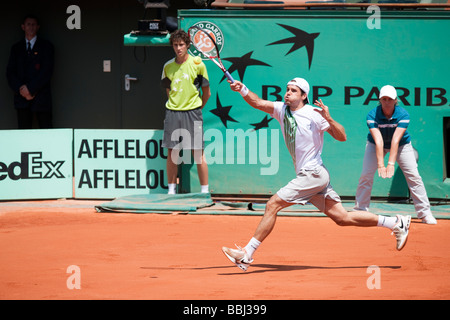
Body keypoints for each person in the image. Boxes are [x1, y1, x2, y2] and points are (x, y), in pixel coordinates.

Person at [222, 78, 411, 272]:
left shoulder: (313, 113)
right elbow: (258, 102)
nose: (287, 93)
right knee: (342, 218)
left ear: (304, 96)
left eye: (293, 91)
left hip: (313, 174)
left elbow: (342, 136)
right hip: (313, 177)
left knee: (273, 204)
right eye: (287, 89)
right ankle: (395, 223)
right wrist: (242, 89)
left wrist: (328, 118)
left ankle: (247, 254)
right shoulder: (281, 109)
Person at [354, 85, 437, 225]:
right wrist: (381, 164)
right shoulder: (372, 115)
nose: (387, 102)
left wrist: (391, 163)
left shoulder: (403, 115)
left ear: (395, 100)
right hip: (375, 144)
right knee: (366, 175)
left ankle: (425, 213)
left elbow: (396, 140)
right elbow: (379, 140)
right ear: (380, 100)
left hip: (402, 146)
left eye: (390, 99)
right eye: (384, 99)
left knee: (414, 176)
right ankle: (360, 210)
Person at [161, 29, 211, 194]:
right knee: (173, 153)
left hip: (193, 113)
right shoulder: (167, 66)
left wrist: (196, 108)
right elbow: (168, 91)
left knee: (198, 153)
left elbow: (207, 93)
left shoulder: (198, 65)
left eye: (181, 44)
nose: (178, 48)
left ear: (188, 45)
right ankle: (171, 190)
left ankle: (205, 191)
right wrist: (176, 104)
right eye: (175, 45)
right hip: (173, 113)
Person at [6, 14, 54, 129]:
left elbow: (46, 72)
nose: (31, 27)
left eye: (33, 25)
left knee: (46, 133)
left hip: (41, 98)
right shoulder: (16, 48)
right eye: (28, 24)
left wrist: (31, 89)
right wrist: (22, 90)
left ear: (38, 27)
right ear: (23, 27)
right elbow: (10, 72)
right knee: (24, 135)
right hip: (22, 99)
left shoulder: (46, 46)